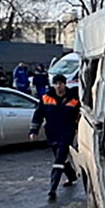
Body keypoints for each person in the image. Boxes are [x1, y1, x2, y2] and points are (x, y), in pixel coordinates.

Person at [29, 73, 80, 201]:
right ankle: (72, 176)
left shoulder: (73, 99)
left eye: (61, 83)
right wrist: (33, 131)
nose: (58, 86)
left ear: (65, 84)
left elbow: (80, 115)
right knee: (61, 159)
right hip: (52, 133)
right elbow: (38, 115)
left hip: (67, 133)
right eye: (56, 83)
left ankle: (53, 189)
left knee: (58, 161)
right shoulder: (46, 98)